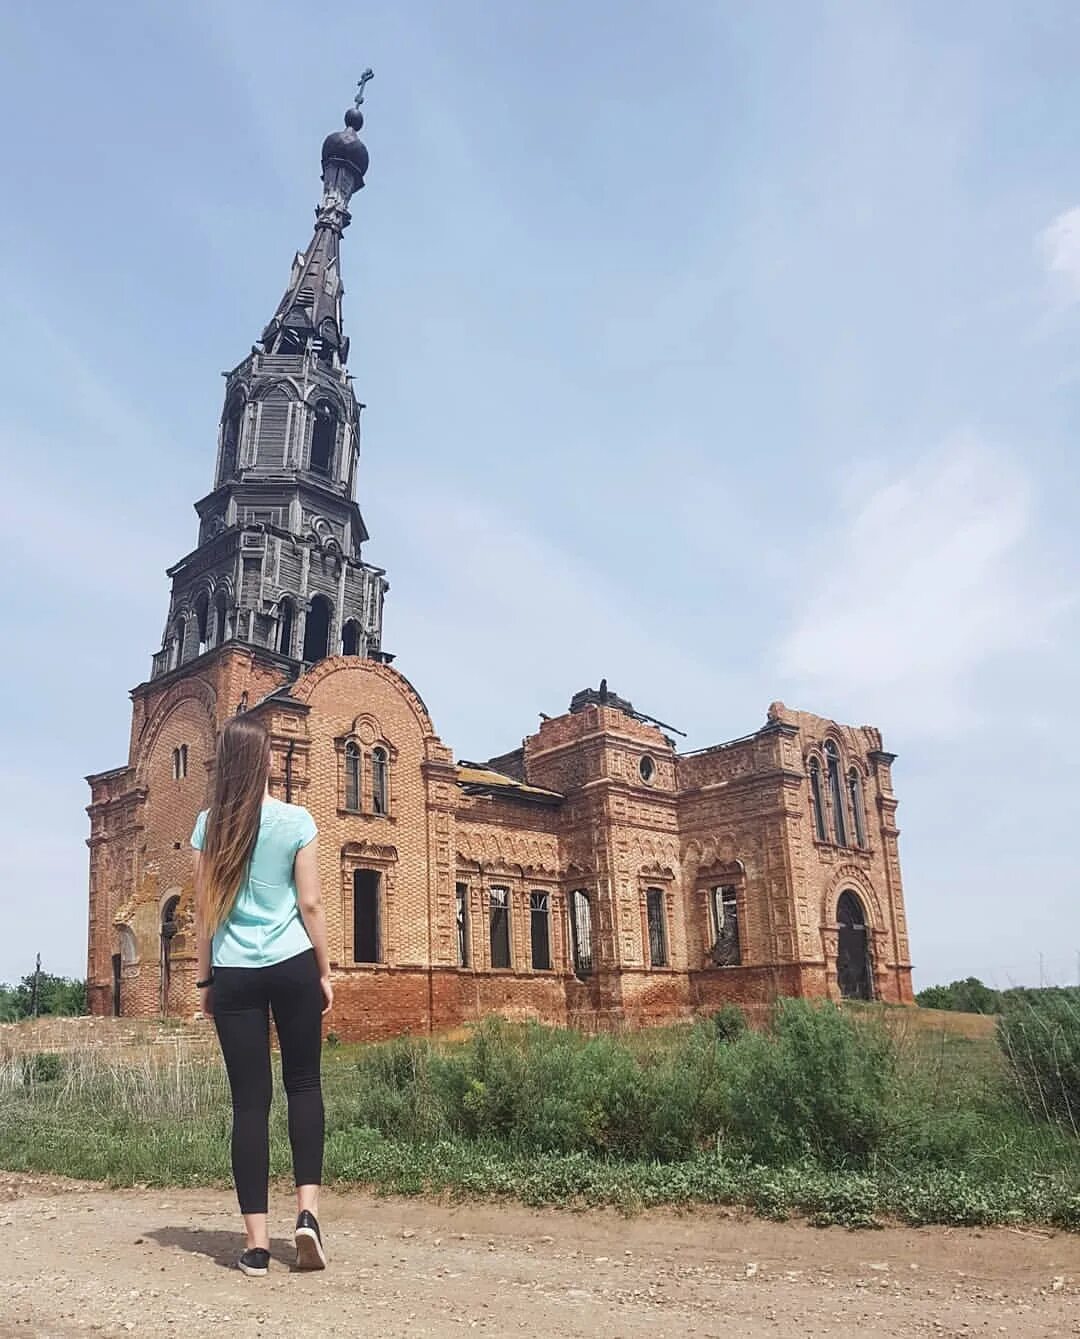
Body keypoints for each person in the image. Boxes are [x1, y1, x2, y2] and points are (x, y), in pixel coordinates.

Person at [191, 714, 333, 1276]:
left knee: (249, 1103)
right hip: (293, 963)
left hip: (234, 974)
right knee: (304, 1084)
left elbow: (204, 915)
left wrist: (205, 981)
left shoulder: (209, 826)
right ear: (267, 760)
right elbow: (312, 906)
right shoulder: (297, 820)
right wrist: (324, 971)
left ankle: (254, 1245)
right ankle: (307, 1216)